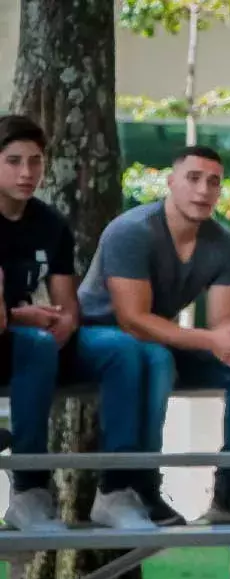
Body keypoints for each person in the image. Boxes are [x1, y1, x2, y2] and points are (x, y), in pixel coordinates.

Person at [76, 144, 230, 528]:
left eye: (214, 182)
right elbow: (133, 320)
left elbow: (224, 319)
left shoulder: (221, 242)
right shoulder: (132, 231)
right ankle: (138, 488)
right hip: (99, 338)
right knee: (153, 356)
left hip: (159, 343)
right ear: (171, 182)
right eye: (193, 179)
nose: (204, 190)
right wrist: (211, 340)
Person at [0, 115, 80, 531]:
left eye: (35, 161)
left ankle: (128, 488)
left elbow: (68, 302)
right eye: (13, 161)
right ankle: (30, 485)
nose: (27, 172)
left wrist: (63, 321)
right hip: (15, 332)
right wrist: (21, 316)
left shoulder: (50, 224)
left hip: (21, 337)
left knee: (124, 352)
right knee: (35, 344)